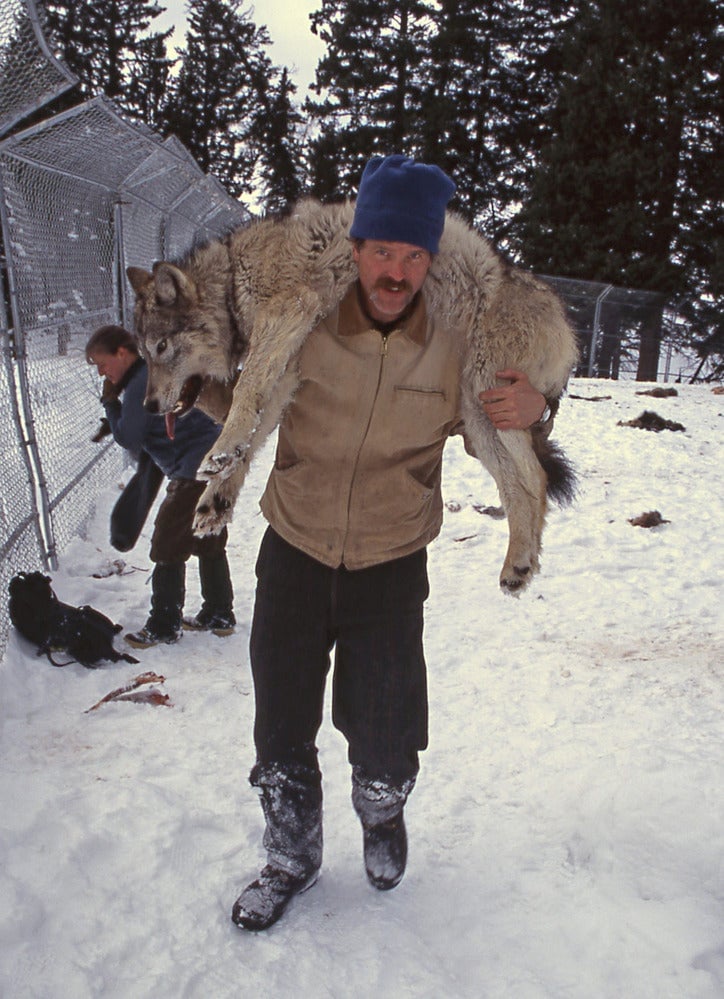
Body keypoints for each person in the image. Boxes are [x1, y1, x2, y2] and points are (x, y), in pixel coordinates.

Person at [231, 155, 548, 932]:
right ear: (357, 247)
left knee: (385, 728)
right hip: (294, 548)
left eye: (413, 254)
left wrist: (538, 407)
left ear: (430, 260)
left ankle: (381, 812)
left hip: (390, 561)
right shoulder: (302, 319)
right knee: (280, 726)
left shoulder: (454, 339)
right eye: (383, 250)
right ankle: (290, 855)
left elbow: (504, 429)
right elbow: (233, 375)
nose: (396, 270)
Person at [85, 325, 235, 649]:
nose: (101, 372)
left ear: (122, 353)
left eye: (102, 363)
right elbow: (142, 422)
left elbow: (130, 437)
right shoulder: (151, 371)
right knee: (208, 534)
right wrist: (114, 418)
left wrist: (111, 406)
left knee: (168, 540)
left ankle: (164, 626)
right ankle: (219, 613)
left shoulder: (140, 380)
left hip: (193, 465)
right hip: (212, 458)